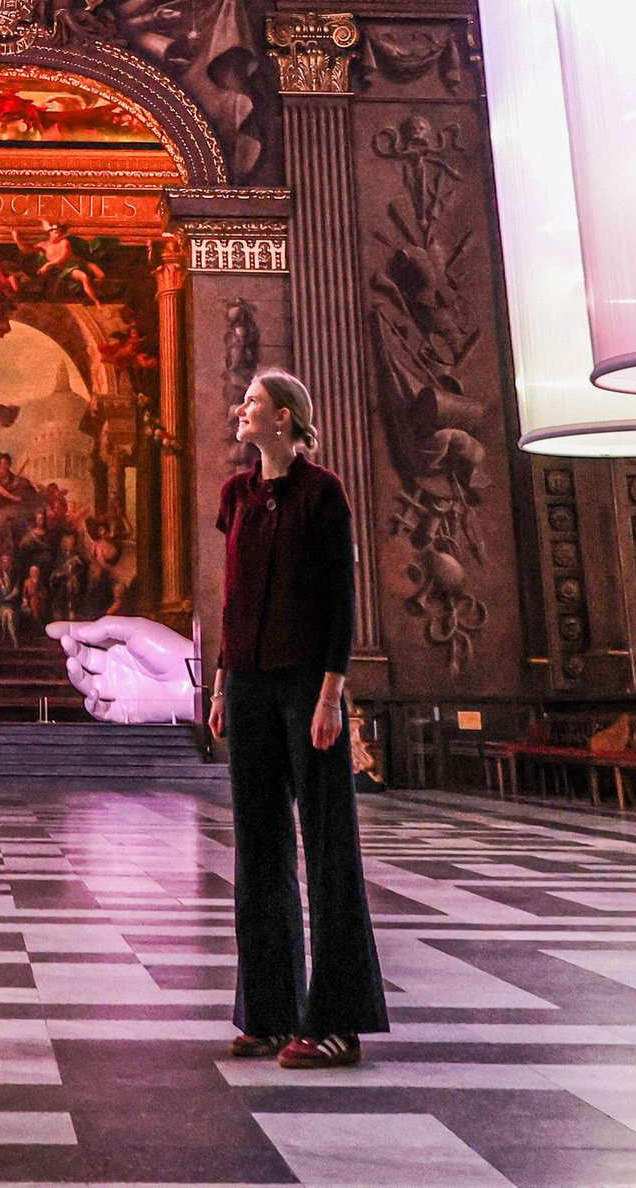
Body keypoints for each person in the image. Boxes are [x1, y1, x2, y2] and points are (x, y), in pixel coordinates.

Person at [210, 367, 385, 1068]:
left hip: (307, 685)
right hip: (248, 685)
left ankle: (338, 1022)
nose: (241, 409)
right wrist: (220, 684)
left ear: (284, 416)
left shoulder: (323, 492)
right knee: (258, 849)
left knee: (328, 844)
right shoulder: (236, 495)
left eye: (253, 402)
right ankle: (270, 1013)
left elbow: (342, 600)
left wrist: (331, 694)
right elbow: (232, 597)